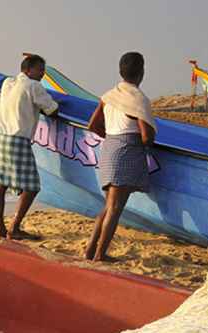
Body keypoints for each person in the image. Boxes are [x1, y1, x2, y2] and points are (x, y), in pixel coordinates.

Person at [84, 52, 156, 261]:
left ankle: (90, 251)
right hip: (126, 152)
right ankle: (100, 255)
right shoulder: (138, 99)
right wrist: (136, 142)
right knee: (114, 209)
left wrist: (112, 137)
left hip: (109, 150)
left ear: (120, 71)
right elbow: (146, 136)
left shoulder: (108, 96)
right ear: (142, 72)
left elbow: (92, 125)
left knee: (108, 206)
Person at [0, 54, 59, 240]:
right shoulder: (34, 86)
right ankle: (14, 228)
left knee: (0, 184)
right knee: (32, 187)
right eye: (40, 69)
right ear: (28, 70)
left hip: (0, 137)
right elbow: (52, 109)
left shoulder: (8, 83)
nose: (42, 73)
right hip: (18, 139)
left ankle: (1, 228)